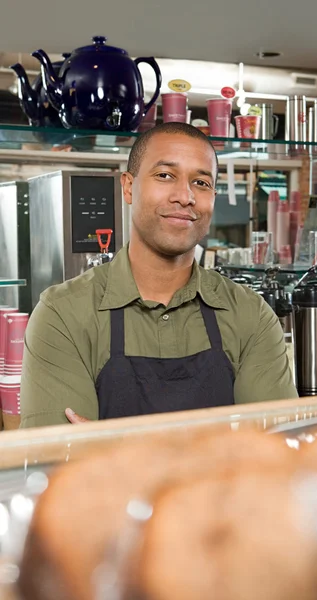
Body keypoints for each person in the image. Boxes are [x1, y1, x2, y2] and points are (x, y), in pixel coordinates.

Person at [20, 123, 297, 428]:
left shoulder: (251, 315)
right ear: (128, 187)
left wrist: (110, 448)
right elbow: (60, 463)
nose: (185, 196)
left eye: (201, 182)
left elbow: (275, 451)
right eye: (165, 175)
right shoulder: (63, 315)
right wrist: (224, 443)